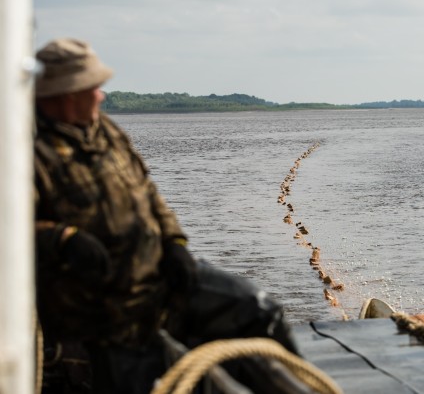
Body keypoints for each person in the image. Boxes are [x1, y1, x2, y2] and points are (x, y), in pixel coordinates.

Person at [34, 38, 298, 394]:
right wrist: (62, 239)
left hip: (161, 280)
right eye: (94, 88)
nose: (102, 96)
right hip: (106, 313)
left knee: (258, 310)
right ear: (68, 93)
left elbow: (148, 193)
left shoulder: (106, 132)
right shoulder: (28, 150)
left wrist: (175, 242)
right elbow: (10, 227)